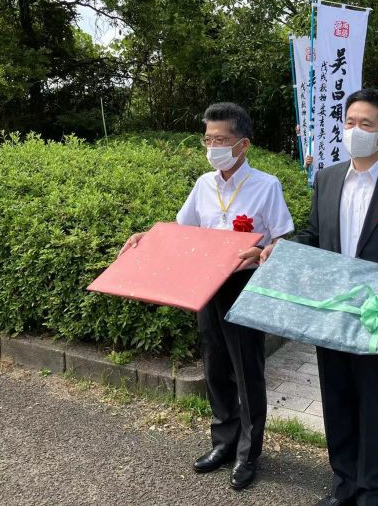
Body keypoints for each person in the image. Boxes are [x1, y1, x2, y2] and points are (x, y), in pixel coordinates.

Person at [262, 88, 378, 506]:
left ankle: (372, 491)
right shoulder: (327, 179)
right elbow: (313, 234)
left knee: (373, 403)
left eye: (366, 124)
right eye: (349, 122)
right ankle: (344, 484)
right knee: (337, 398)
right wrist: (282, 248)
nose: (355, 131)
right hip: (331, 308)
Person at [120, 102, 294, 490]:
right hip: (206, 284)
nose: (213, 147)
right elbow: (181, 231)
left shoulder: (266, 185)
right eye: (208, 139)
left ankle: (249, 453)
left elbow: (283, 237)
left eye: (221, 140)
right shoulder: (204, 184)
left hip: (246, 284)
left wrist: (263, 249)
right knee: (215, 365)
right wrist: (147, 238)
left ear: (243, 144)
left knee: (247, 370)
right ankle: (223, 442)